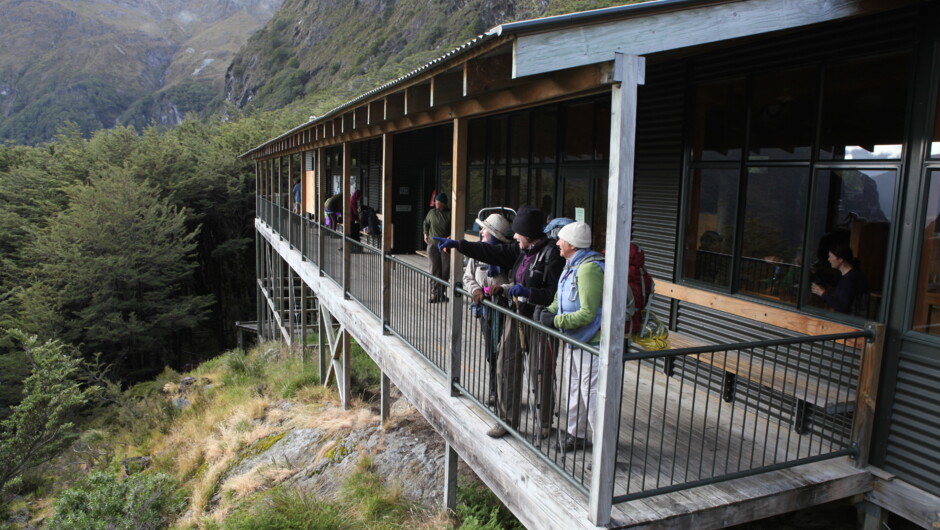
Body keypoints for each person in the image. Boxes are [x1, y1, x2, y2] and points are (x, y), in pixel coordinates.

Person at [435, 207, 564, 439]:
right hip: (517, 315)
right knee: (506, 364)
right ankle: (506, 421)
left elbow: (555, 293)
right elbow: (489, 251)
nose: (514, 236)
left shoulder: (551, 255)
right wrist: (459, 244)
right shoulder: (521, 250)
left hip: (541, 321)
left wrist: (529, 292)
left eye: (518, 233)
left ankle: (545, 423)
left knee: (540, 371)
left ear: (529, 233)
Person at [535, 221, 604, 453]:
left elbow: (588, 312)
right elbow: (559, 298)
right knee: (574, 387)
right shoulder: (570, 265)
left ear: (572, 244)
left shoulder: (589, 269)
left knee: (591, 393)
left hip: (592, 341)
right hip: (575, 340)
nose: (557, 243)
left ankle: (604, 444)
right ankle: (576, 434)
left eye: (561, 239)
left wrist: (555, 322)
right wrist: (548, 311)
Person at [463, 212, 512, 407]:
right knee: (492, 352)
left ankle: (504, 392)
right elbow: (468, 277)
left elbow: (516, 281)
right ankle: (494, 390)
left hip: (504, 309)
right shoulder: (477, 254)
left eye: (484, 229)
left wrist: (502, 290)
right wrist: (476, 289)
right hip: (486, 310)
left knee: (504, 353)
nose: (481, 231)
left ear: (493, 233)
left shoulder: (508, 256)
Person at [811, 244, 868, 314]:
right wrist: (817, 272)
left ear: (840, 259)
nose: (828, 259)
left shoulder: (850, 279)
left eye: (831, 257)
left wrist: (822, 293)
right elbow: (833, 280)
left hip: (849, 321)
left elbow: (842, 307)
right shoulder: (848, 273)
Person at [423, 192, 451, 303]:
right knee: (434, 269)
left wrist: (450, 236)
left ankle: (442, 293)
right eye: (436, 201)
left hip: (445, 246)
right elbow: (426, 223)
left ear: (444, 203)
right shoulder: (432, 212)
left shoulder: (450, 214)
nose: (436, 203)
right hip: (433, 245)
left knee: (445, 270)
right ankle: (435, 294)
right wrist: (425, 233)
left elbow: (455, 228)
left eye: (438, 202)